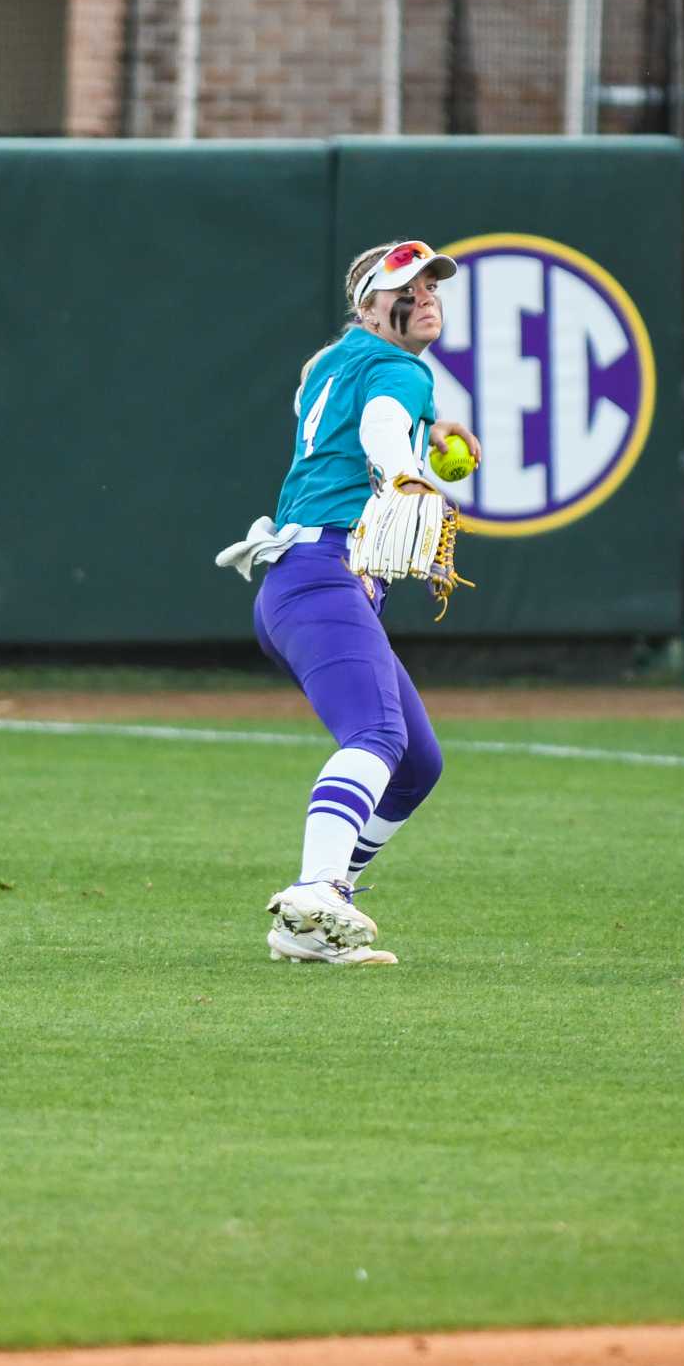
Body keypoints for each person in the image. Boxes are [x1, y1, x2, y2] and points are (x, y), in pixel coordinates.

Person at [219, 239, 482, 967]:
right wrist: (408, 472)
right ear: (368, 304)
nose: (425, 293)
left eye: (432, 282)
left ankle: (322, 915)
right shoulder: (396, 366)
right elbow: (378, 428)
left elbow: (357, 417)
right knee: (375, 735)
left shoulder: (331, 363)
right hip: (320, 572)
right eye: (406, 284)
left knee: (417, 763)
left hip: (305, 579)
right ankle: (316, 889)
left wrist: (428, 438)